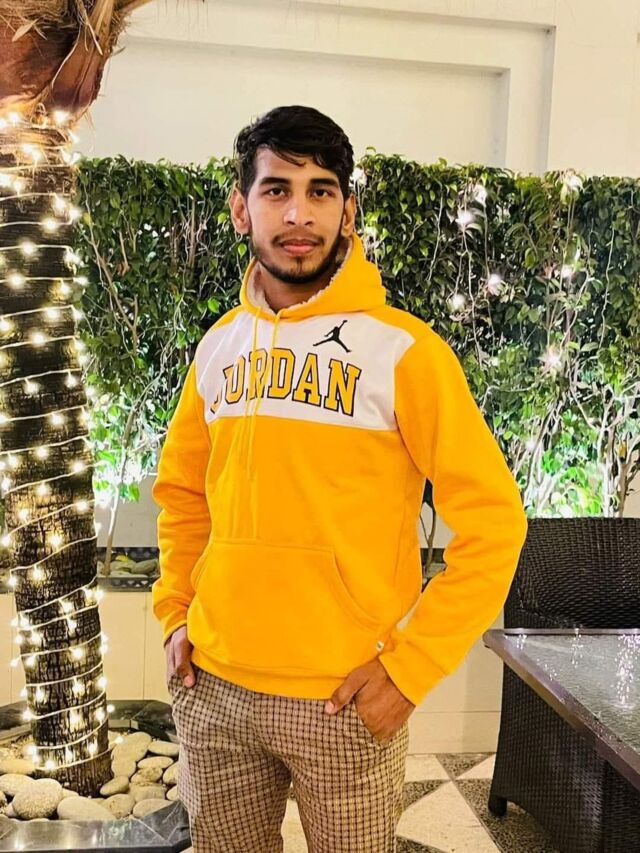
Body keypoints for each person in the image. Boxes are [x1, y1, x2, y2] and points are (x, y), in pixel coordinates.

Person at [151, 104, 528, 853]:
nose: (299, 214)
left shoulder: (405, 352)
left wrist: (411, 670)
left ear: (347, 211)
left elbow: (495, 523)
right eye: (276, 189)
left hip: (343, 698)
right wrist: (174, 612)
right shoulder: (218, 347)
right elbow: (183, 495)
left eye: (320, 191)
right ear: (242, 209)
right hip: (214, 687)